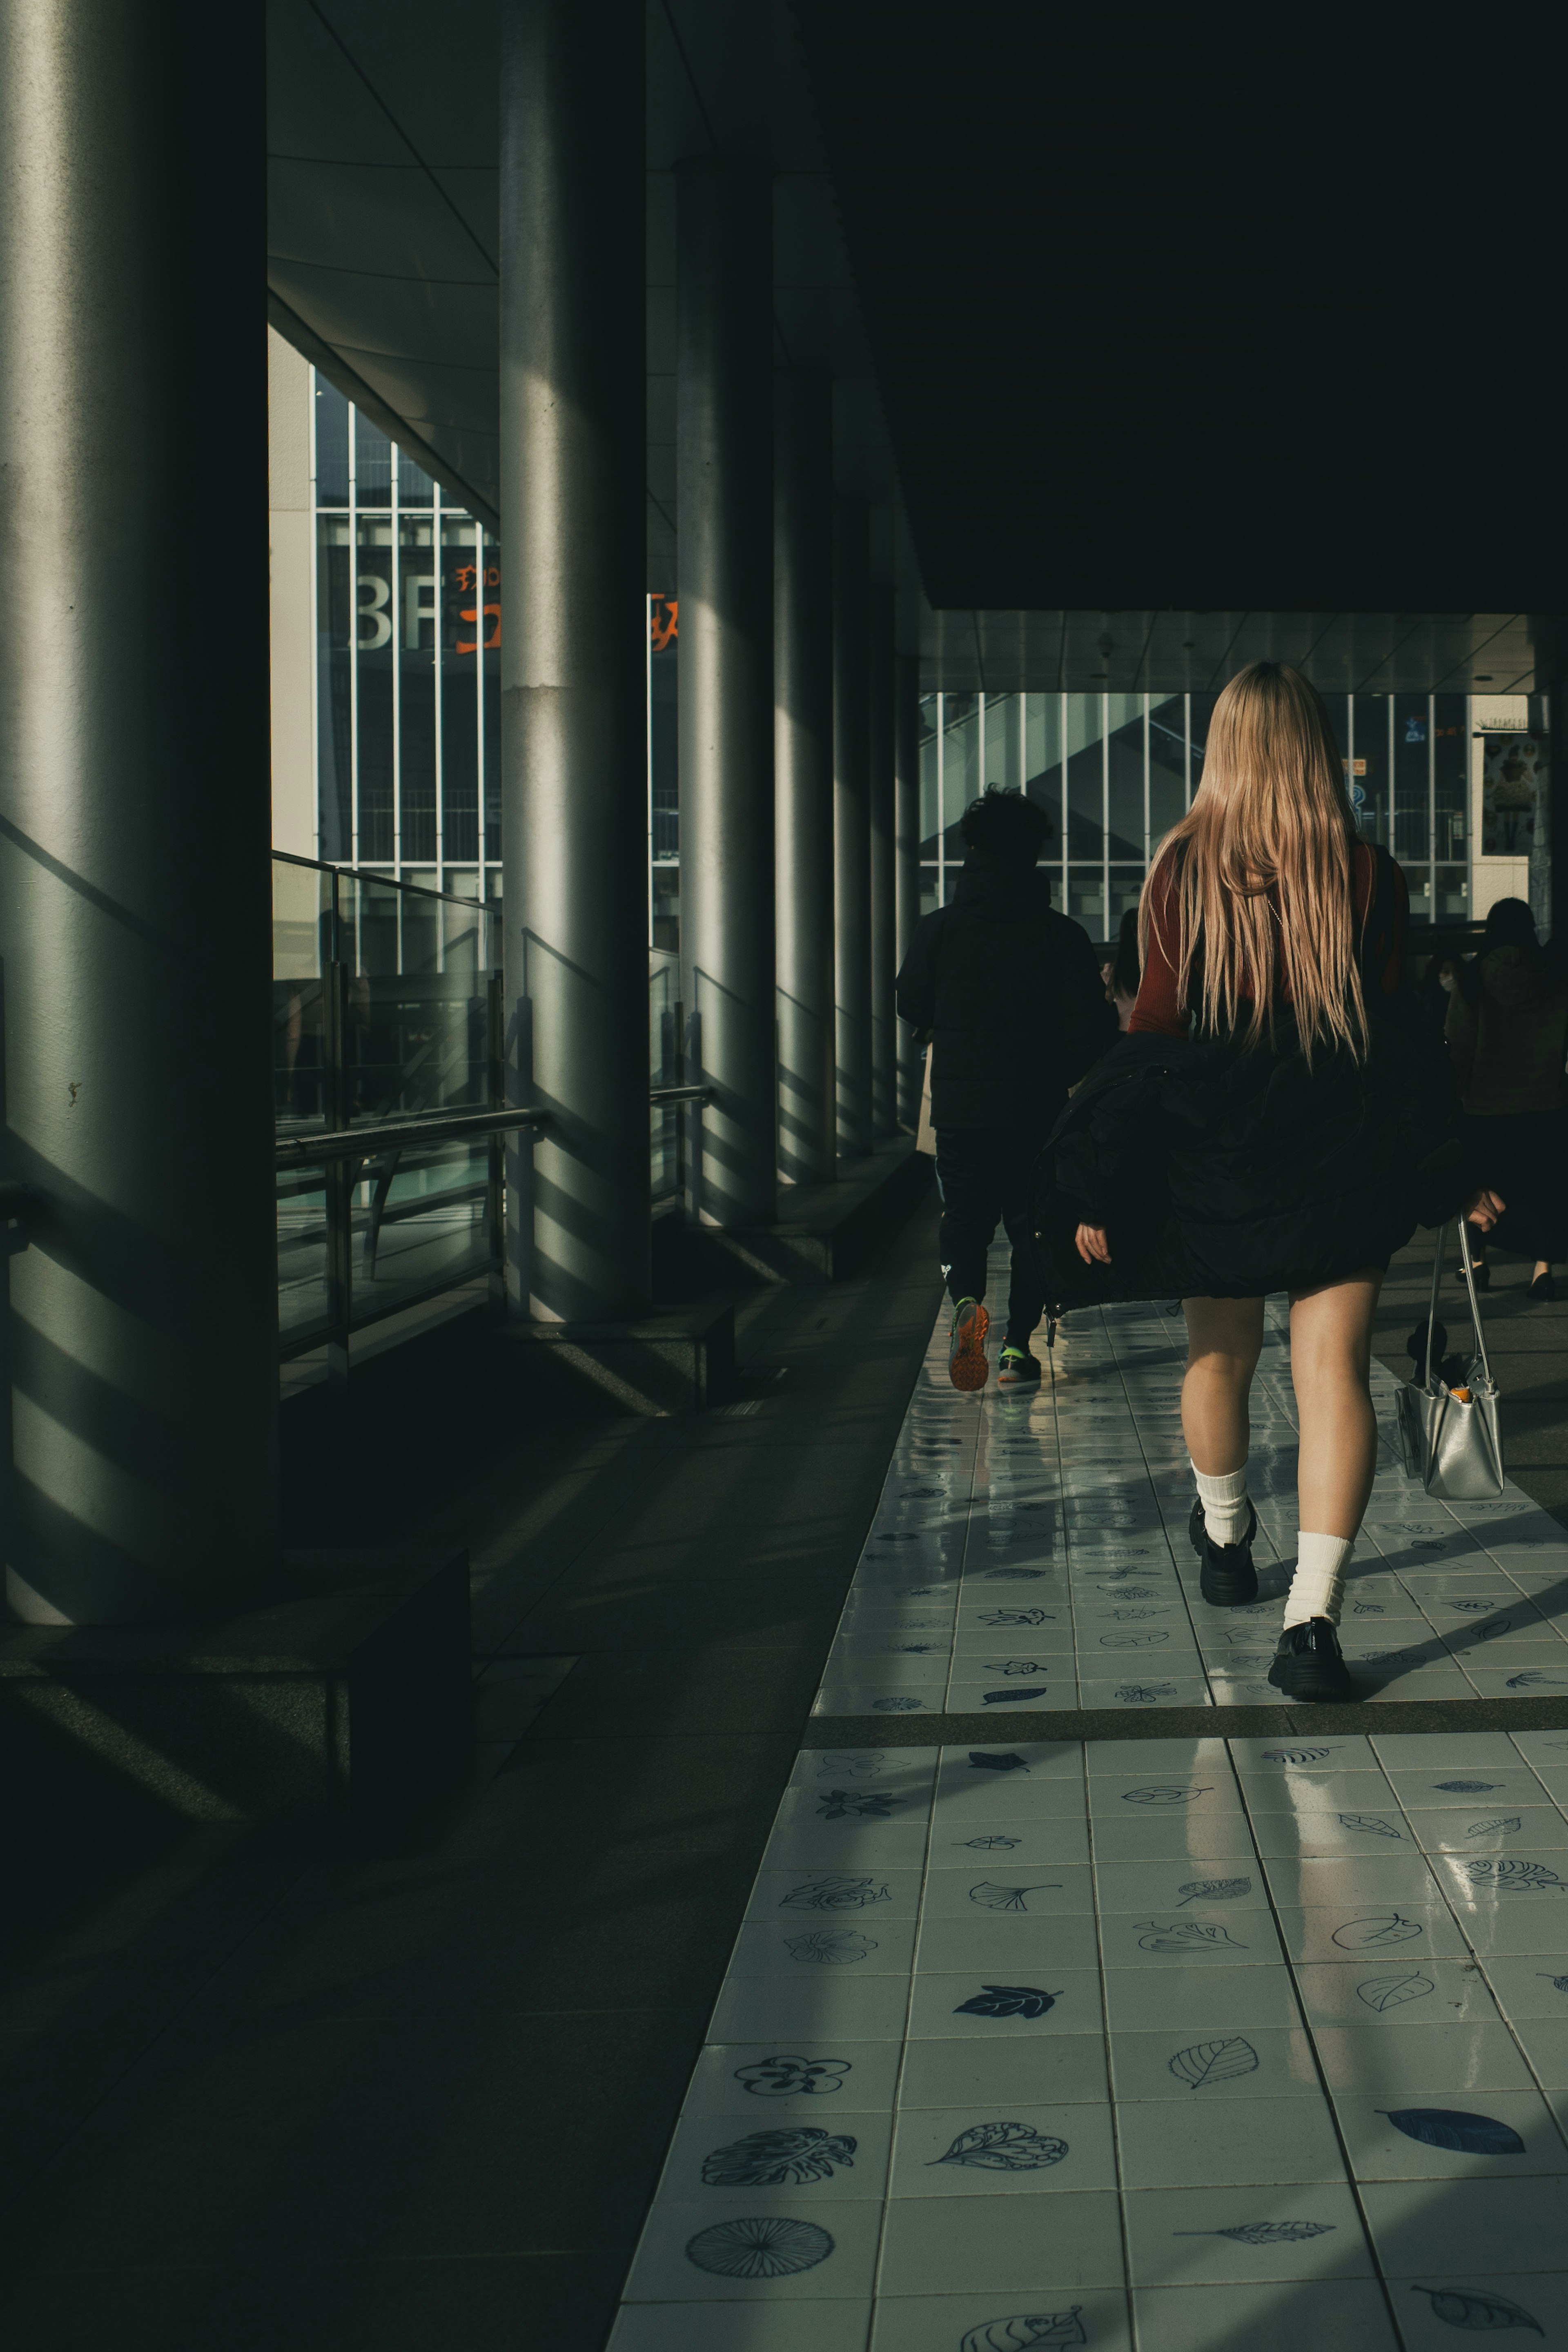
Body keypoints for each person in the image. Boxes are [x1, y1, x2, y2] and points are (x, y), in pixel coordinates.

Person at [1033, 663, 1503, 1701]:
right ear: (1315, 745)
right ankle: (1311, 1624)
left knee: (1218, 1359)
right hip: (1341, 1150)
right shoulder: (1367, 872)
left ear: (1224, 743)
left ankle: (1228, 1532)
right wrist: (1452, 1167)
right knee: (1328, 1372)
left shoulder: (1178, 869)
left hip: (1218, 1151)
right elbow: (1396, 1037)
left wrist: (1100, 1188)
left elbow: (1150, 1036)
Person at [896, 785, 1117, 1391]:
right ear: (1034, 853)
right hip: (1038, 1111)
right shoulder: (1061, 935)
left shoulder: (939, 930)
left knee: (965, 1222)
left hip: (963, 1111)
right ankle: (1017, 1349)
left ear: (972, 848)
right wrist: (1054, 1069)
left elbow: (909, 999)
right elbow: (1094, 1029)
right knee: (1032, 1229)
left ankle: (968, 1310)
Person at [1446, 898, 1568, 1300]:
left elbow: (1458, 1044)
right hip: (1544, 1100)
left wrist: (1458, 1091)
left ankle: (1477, 1264)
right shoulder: (1553, 977)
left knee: (1479, 1185)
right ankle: (1542, 1271)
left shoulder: (1473, 980)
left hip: (1484, 1104)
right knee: (1546, 1189)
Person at [1102, 907, 1141, 1031]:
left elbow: (1104, 1006)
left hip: (1123, 1034)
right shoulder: (1157, 969)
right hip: (1152, 1037)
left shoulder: (1113, 971)